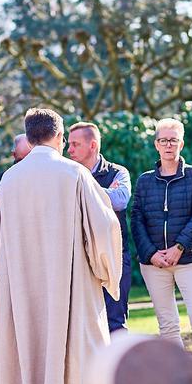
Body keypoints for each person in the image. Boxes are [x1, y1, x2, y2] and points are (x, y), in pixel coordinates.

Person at [0, 108, 124, 384]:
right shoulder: (75, 173)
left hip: (27, 289)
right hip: (73, 283)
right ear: (59, 136)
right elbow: (103, 228)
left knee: (39, 359)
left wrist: (12, 281)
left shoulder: (9, 180)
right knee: (88, 357)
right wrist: (106, 272)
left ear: (29, 137)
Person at [130, 117, 192, 384]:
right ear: (156, 144)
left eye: (173, 140)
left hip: (190, 259)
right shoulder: (145, 181)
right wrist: (151, 254)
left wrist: (179, 248)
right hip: (154, 264)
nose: (168, 145)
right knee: (168, 324)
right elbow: (136, 220)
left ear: (181, 143)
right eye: (163, 140)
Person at [66, 123, 133, 333]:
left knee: (116, 324)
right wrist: (104, 194)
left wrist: (84, 191)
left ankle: (121, 368)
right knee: (84, 328)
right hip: (79, 260)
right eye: (69, 144)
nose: (69, 150)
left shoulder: (118, 172)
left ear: (93, 145)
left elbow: (120, 200)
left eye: (75, 144)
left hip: (113, 258)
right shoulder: (67, 174)